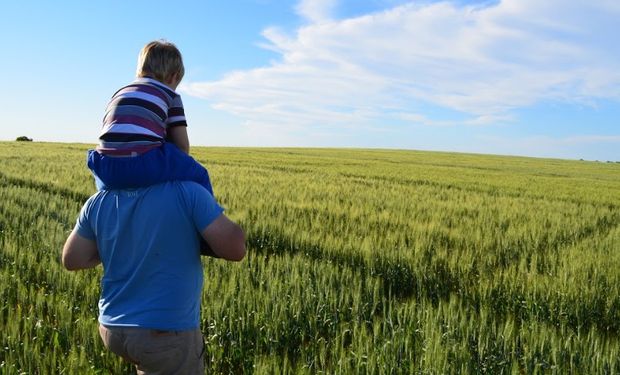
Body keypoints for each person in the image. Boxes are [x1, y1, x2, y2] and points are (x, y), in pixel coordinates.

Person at [62, 181, 245, 374]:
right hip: (163, 334)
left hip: (112, 328)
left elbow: (72, 259)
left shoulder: (98, 200)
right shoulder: (188, 192)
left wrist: (117, 244)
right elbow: (236, 250)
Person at [87, 39, 214, 195]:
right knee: (200, 175)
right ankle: (208, 218)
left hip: (104, 169)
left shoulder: (119, 92)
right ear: (173, 77)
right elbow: (182, 147)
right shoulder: (170, 96)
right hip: (142, 166)